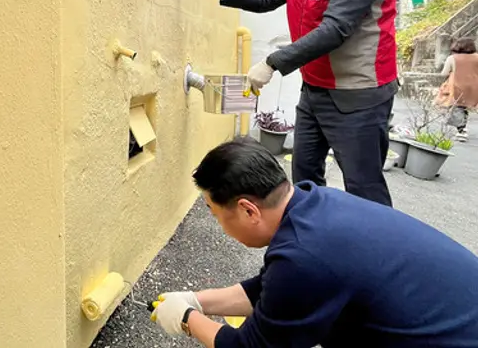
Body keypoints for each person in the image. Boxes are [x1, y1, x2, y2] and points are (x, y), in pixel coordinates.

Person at [150, 137, 478, 347]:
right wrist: (195, 299)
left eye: (215, 213)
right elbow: (270, 289)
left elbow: (250, 347)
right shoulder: (314, 202)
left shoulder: (304, 258)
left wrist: (186, 320)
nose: (219, 226)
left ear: (248, 210)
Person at [194, 0, 397, 207]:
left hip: (358, 93)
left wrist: (272, 62)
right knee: (304, 174)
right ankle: (313, 242)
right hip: (315, 89)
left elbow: (336, 29)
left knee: (363, 185)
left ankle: (377, 253)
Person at [438, 37, 478, 142]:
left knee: (458, 107)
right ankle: (462, 126)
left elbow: (444, 73)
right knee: (464, 107)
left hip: (457, 86)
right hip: (474, 87)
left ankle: (461, 129)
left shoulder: (452, 58)